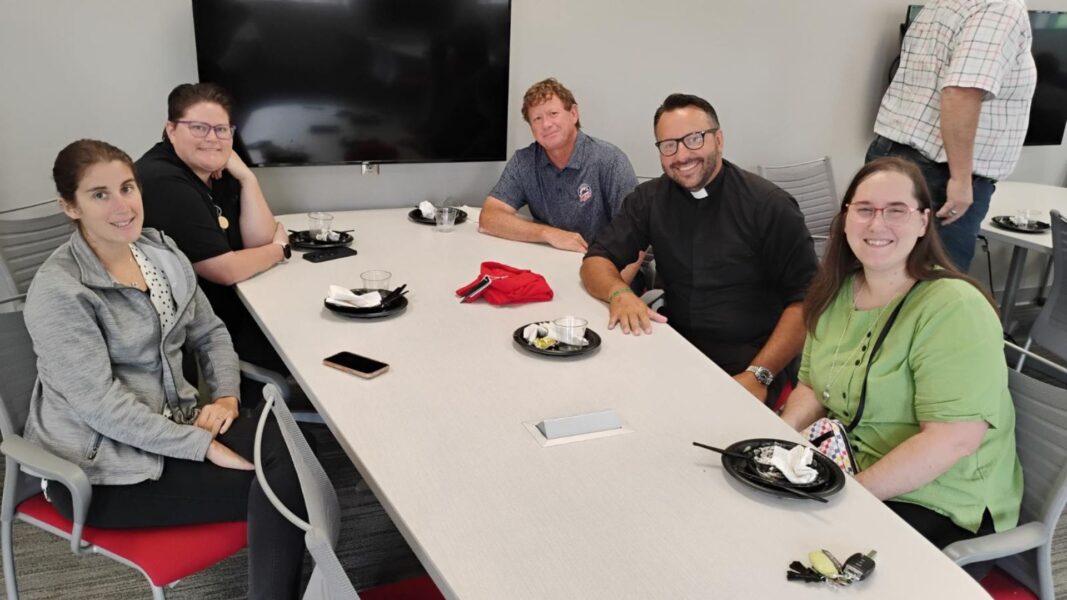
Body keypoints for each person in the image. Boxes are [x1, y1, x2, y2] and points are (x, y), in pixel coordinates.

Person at [25, 139, 307, 599]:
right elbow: (101, 407)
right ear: (69, 206)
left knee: (298, 448)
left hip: (173, 423)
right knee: (287, 485)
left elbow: (210, 333)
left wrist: (226, 397)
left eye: (128, 188)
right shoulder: (60, 292)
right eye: (100, 194)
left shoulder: (159, 251)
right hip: (107, 468)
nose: (123, 206)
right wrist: (198, 444)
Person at [779, 157, 1021, 556]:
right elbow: (811, 385)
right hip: (853, 468)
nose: (877, 225)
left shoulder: (953, 307)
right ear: (845, 218)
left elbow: (952, 442)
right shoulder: (837, 292)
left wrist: (849, 496)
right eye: (865, 210)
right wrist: (778, 445)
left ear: (924, 222)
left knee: (798, 554)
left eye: (896, 211)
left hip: (940, 499)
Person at [581, 93, 818, 403]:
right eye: (669, 145)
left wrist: (760, 373)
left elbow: (808, 300)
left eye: (694, 139)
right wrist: (619, 293)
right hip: (676, 348)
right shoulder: (649, 199)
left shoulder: (769, 206)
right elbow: (595, 260)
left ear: (718, 140)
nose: (681, 155)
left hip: (751, 360)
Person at [135, 83, 292, 389]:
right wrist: (281, 249)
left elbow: (257, 241)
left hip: (242, 305)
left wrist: (247, 177)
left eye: (221, 130)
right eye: (199, 128)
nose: (212, 139)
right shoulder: (163, 182)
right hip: (211, 329)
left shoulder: (213, 169)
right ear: (171, 129)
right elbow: (225, 270)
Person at [867, 0, 1036, 271]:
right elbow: (961, 91)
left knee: (883, 275)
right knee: (937, 290)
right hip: (939, 173)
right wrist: (960, 178)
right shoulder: (999, 7)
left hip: (896, 156)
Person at [479, 78, 641, 276]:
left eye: (553, 114)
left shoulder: (610, 160)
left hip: (608, 271)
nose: (546, 124)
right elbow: (489, 217)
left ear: (573, 113)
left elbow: (637, 237)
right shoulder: (524, 161)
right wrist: (547, 233)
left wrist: (615, 291)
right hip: (552, 269)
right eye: (537, 119)